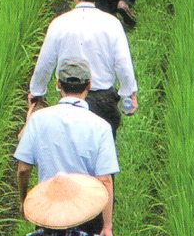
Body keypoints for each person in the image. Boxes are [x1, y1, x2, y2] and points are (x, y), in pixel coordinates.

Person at [27, 0, 138, 124]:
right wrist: (129, 93)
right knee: (103, 144)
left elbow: (45, 63)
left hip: (69, 99)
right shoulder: (112, 23)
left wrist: (36, 93)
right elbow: (122, 62)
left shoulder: (59, 24)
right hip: (103, 101)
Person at [15, 64, 118, 223]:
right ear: (89, 85)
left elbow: (23, 169)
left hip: (49, 209)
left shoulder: (38, 119)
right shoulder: (101, 126)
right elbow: (105, 179)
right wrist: (107, 226)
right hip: (88, 211)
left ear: (58, 84)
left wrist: (24, 202)